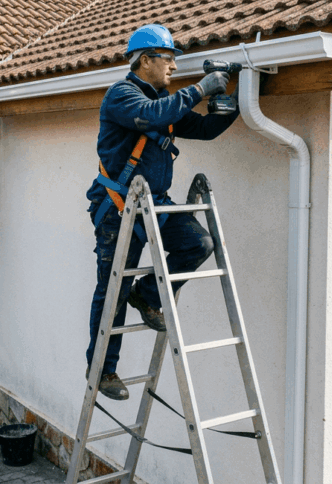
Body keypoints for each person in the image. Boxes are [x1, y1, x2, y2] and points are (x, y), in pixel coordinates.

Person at [85, 23, 239, 400]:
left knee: (199, 244)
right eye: (167, 59)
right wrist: (200, 89)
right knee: (113, 290)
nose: (173, 66)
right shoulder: (122, 95)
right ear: (144, 61)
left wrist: (238, 98)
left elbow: (204, 129)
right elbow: (149, 116)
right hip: (119, 208)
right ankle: (103, 370)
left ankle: (148, 294)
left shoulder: (165, 102)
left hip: (155, 203)